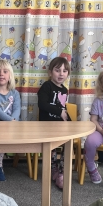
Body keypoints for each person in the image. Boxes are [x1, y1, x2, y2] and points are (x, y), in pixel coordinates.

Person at [37, 57, 71, 189]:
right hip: (47, 125)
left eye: (64, 71)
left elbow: (63, 109)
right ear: (50, 72)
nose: (61, 74)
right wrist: (59, 112)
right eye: (57, 70)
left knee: (68, 141)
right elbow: (42, 104)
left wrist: (69, 121)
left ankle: (61, 172)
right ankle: (53, 169)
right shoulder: (47, 86)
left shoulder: (64, 90)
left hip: (60, 126)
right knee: (51, 145)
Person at [0, 59, 21, 181]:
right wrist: (11, 121)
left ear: (10, 75)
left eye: (5, 71)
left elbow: (17, 109)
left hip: (12, 123)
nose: (1, 74)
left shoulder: (15, 93)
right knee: (1, 135)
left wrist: (13, 121)